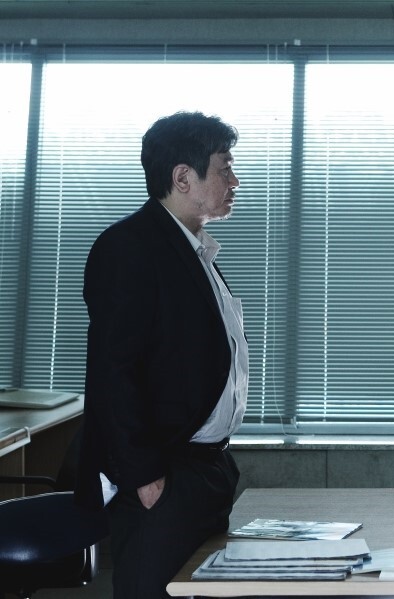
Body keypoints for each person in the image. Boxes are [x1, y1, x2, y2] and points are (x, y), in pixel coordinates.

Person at [75, 111, 248, 598]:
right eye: (225, 169)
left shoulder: (196, 252)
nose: (235, 181)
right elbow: (114, 371)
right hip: (164, 477)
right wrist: (147, 479)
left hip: (205, 469)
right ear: (183, 177)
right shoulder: (129, 247)